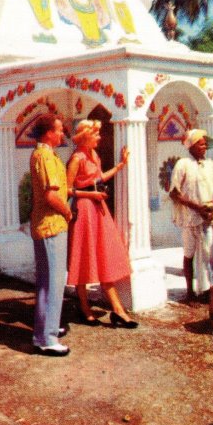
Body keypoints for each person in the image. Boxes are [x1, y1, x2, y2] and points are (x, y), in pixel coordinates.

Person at [66, 119, 138, 328]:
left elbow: (99, 179)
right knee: (84, 257)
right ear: (85, 136)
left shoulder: (94, 156)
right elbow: (67, 189)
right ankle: (85, 307)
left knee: (104, 255)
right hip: (85, 209)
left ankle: (118, 310)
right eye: (95, 134)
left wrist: (120, 166)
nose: (99, 137)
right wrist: (90, 195)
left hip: (98, 209)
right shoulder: (77, 158)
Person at [30, 113, 73, 356]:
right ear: (48, 132)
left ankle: (47, 329)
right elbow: (51, 195)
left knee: (50, 281)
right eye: (58, 130)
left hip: (49, 224)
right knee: (53, 281)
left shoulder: (46, 154)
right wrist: (67, 210)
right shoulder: (44, 156)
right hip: (51, 224)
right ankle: (47, 337)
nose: (62, 134)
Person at [169, 129, 213, 305]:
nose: (204, 146)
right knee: (189, 254)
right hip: (189, 217)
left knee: (208, 253)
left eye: (205, 143)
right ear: (191, 145)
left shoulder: (210, 165)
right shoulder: (183, 164)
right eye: (200, 143)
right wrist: (197, 207)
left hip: (206, 217)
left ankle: (206, 290)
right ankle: (190, 292)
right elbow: (175, 194)